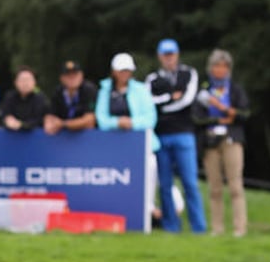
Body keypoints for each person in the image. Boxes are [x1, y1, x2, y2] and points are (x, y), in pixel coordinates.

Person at [146, 38, 206, 234]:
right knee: (165, 184)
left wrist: (163, 105)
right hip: (161, 136)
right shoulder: (152, 79)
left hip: (184, 134)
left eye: (171, 54)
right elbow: (150, 103)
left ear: (177, 55)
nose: (169, 58)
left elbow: (187, 100)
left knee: (190, 182)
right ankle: (171, 227)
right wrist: (171, 97)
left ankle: (198, 228)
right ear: (160, 56)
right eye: (165, 55)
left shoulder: (189, 73)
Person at [95, 53, 160, 225]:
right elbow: (101, 119)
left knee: (148, 174)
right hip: (114, 146)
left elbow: (150, 119)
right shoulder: (105, 90)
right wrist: (118, 122)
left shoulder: (140, 90)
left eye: (128, 70)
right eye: (121, 70)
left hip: (141, 145)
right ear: (114, 71)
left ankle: (146, 216)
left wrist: (131, 123)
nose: (125, 74)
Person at [194, 48, 251, 237]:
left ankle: (239, 229)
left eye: (224, 66)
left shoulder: (235, 90)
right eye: (217, 66)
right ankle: (217, 229)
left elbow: (245, 114)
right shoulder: (204, 91)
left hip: (231, 140)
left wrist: (227, 111)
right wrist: (217, 120)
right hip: (210, 142)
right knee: (215, 188)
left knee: (235, 185)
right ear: (211, 68)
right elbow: (196, 118)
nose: (220, 70)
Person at [43, 60, 97, 134]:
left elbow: (89, 122)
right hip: (64, 139)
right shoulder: (58, 92)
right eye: (68, 75)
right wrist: (48, 123)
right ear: (61, 78)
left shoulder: (89, 90)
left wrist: (63, 124)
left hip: (87, 137)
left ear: (81, 75)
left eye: (75, 74)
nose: (72, 78)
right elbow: (50, 116)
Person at [0, 67, 50, 131]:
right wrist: (7, 121)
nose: (25, 83)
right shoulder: (10, 97)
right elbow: (4, 116)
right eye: (22, 80)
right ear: (15, 82)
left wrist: (22, 125)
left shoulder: (40, 98)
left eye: (28, 80)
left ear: (34, 82)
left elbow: (40, 120)